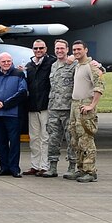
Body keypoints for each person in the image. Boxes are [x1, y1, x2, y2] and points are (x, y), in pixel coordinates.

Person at [65, 40, 105, 183]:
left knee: (86, 139)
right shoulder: (78, 65)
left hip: (84, 106)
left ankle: (90, 171)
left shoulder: (91, 66)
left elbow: (99, 86)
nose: (76, 52)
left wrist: (91, 105)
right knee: (76, 139)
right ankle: (81, 168)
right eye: (74, 50)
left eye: (79, 49)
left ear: (86, 50)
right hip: (75, 105)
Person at [0, 52, 27, 177]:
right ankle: (4, 167)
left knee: (14, 142)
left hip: (13, 114)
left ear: (11, 61)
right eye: (3, 61)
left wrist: (5, 104)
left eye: (8, 61)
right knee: (0, 141)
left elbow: (22, 92)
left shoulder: (19, 74)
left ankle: (14, 168)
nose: (6, 63)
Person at [42, 40, 75, 178]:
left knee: (71, 139)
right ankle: (52, 166)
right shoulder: (53, 66)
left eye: (62, 48)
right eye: (57, 48)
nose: (59, 51)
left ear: (67, 49)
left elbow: (95, 68)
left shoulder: (74, 65)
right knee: (53, 139)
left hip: (68, 108)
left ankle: (72, 166)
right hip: (54, 108)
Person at [23, 40, 54, 177]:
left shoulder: (51, 63)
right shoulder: (29, 66)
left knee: (45, 137)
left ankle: (44, 165)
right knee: (34, 137)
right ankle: (35, 165)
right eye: (36, 48)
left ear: (46, 48)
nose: (38, 50)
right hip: (32, 107)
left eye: (41, 48)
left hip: (46, 106)